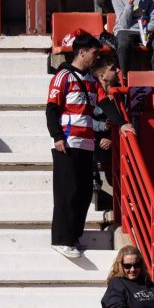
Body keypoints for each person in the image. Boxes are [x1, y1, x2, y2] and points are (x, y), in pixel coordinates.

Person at [49, 34, 102, 257]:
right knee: (67, 192)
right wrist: (57, 136)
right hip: (68, 142)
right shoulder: (62, 76)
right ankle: (61, 239)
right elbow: (51, 108)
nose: (96, 57)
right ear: (82, 52)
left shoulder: (92, 79)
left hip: (87, 143)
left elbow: (106, 102)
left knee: (84, 192)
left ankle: (74, 236)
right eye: (94, 52)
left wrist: (123, 123)